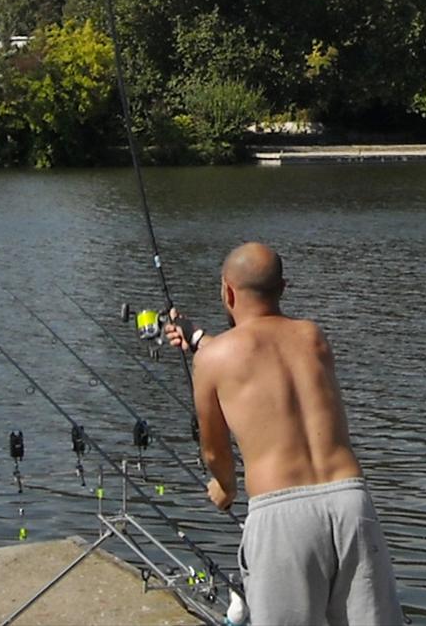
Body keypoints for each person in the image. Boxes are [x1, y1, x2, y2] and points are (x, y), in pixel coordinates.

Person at [164, 242, 403, 626]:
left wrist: (224, 487)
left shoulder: (213, 360)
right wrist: (196, 337)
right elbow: (265, 356)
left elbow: (214, 451)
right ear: (283, 288)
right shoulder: (313, 337)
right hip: (350, 504)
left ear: (227, 292)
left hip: (282, 515)